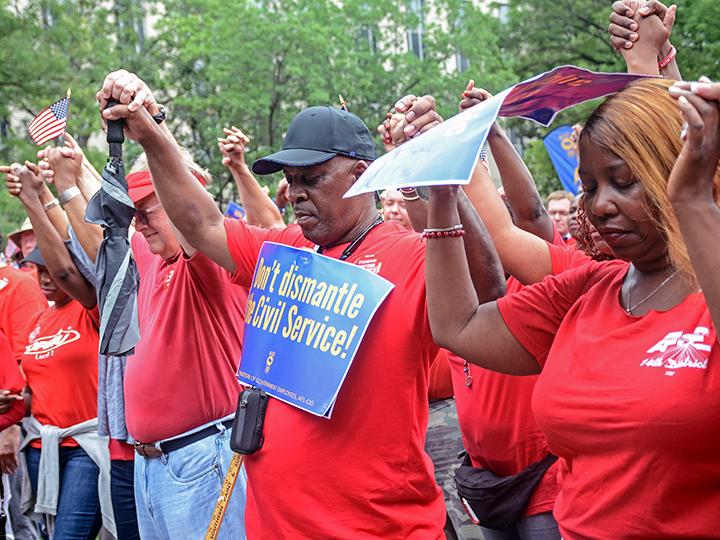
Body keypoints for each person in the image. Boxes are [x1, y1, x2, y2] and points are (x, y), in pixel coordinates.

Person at [98, 69, 505, 538]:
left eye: (311, 178)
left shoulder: (412, 255)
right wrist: (150, 133)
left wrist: (441, 171)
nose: (294, 194)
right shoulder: (284, 249)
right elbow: (202, 224)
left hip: (381, 528)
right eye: (290, 180)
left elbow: (489, 291)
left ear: (361, 174)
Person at [426, 74, 720, 538]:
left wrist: (691, 199)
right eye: (590, 185)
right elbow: (457, 327)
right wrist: (442, 195)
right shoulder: (587, 289)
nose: (600, 205)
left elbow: (529, 221)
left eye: (624, 183)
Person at [6, 163, 114, 538]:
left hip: (85, 445)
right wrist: (14, 402)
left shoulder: (94, 309)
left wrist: (34, 198)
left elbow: (69, 273)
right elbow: (36, 388)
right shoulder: (40, 321)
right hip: (40, 445)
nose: (48, 278)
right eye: (40, 272)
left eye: (52, 269)